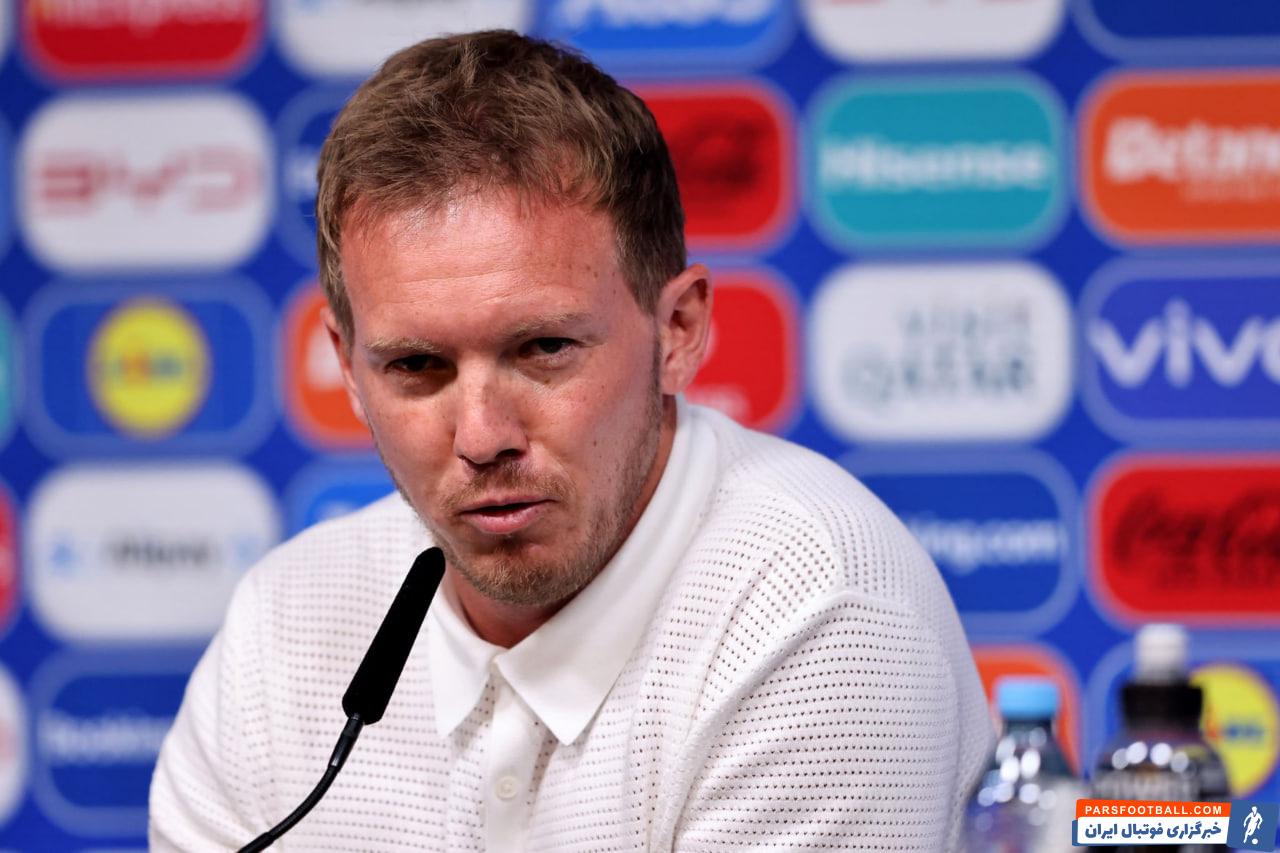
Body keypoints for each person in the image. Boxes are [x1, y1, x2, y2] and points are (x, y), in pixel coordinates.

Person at [150, 30, 992, 851]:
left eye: (544, 348)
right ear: (347, 365)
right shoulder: (281, 628)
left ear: (678, 329)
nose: (482, 436)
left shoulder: (821, 611)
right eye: (415, 365)